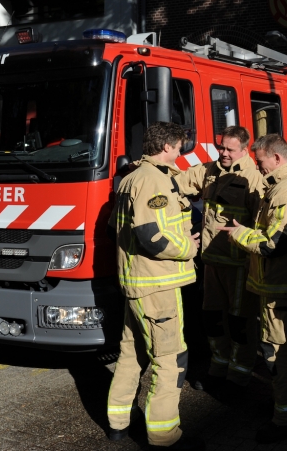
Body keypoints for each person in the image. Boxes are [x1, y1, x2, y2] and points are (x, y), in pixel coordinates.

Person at [106, 122, 203, 451]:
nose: (180, 152)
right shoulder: (153, 180)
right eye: (178, 147)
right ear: (166, 146)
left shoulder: (131, 178)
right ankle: (164, 437)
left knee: (131, 355)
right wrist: (189, 248)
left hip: (136, 284)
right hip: (157, 286)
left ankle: (118, 423)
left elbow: (113, 229)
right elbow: (151, 236)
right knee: (171, 359)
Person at [218, 134, 287, 443]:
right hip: (277, 286)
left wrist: (239, 234)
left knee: (281, 354)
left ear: (276, 158)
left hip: (282, 288)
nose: (257, 166)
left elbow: (274, 243)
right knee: (281, 351)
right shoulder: (281, 185)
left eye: (259, 161)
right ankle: (285, 405)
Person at [178, 126, 266, 389]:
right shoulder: (209, 170)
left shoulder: (254, 178)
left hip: (239, 263)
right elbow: (176, 181)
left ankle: (239, 374)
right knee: (212, 318)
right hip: (211, 262)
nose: (223, 153)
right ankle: (218, 367)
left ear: (243, 149)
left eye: (229, 149)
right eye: (221, 147)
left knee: (240, 321)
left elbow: (262, 224)